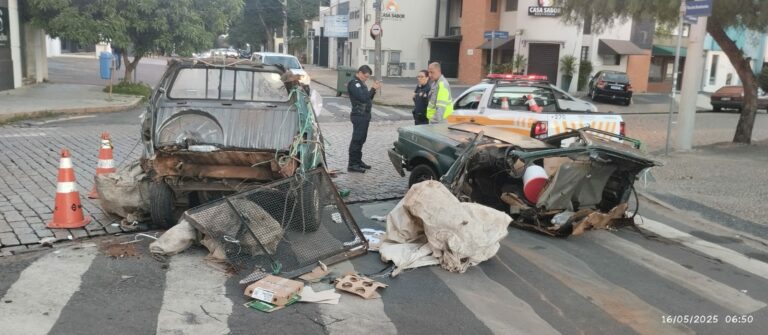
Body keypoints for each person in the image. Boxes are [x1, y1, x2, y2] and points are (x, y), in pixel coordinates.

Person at [347, 65, 382, 173]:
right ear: (360, 73)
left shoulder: (361, 83)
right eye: (365, 76)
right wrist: (373, 88)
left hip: (364, 115)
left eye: (367, 77)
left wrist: (373, 91)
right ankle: (352, 164)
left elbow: (368, 98)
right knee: (357, 140)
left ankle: (358, 161)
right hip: (358, 115)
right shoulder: (354, 83)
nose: (366, 78)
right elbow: (363, 98)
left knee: (361, 139)